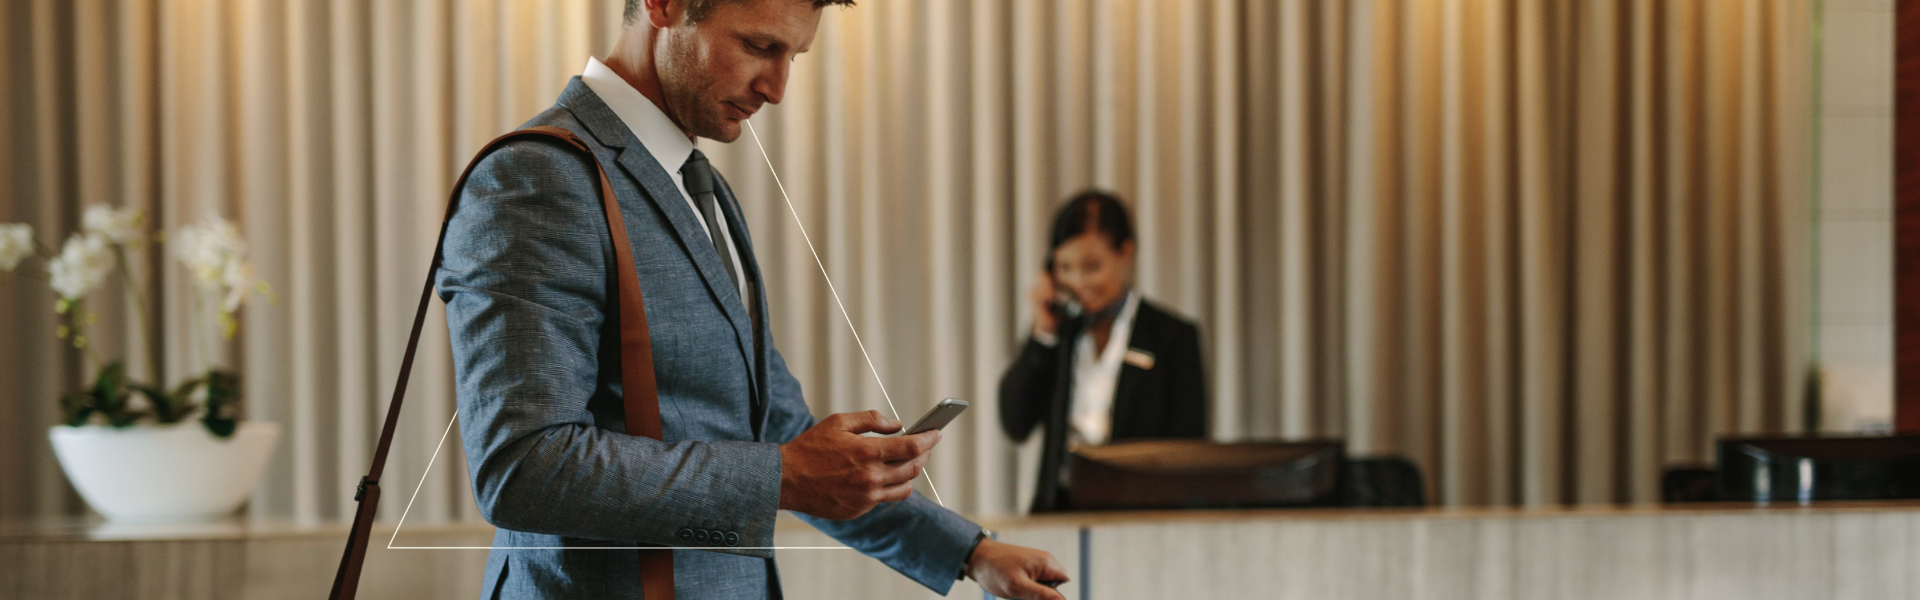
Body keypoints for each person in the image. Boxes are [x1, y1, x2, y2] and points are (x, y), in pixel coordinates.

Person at [437, 0, 1067, 598]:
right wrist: (785, 476)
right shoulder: (537, 176)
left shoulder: (699, 187)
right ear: (664, 6)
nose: (777, 88)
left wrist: (972, 555)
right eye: (760, 46)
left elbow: (775, 429)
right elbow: (523, 466)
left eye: (793, 56)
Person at [998, 191, 1209, 513]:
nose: (1079, 282)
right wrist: (1042, 333)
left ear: (1125, 253)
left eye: (1092, 267)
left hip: (1142, 514)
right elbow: (1015, 422)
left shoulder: (1172, 338)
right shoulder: (1058, 334)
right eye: (1065, 268)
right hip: (1060, 513)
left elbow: (1189, 451)